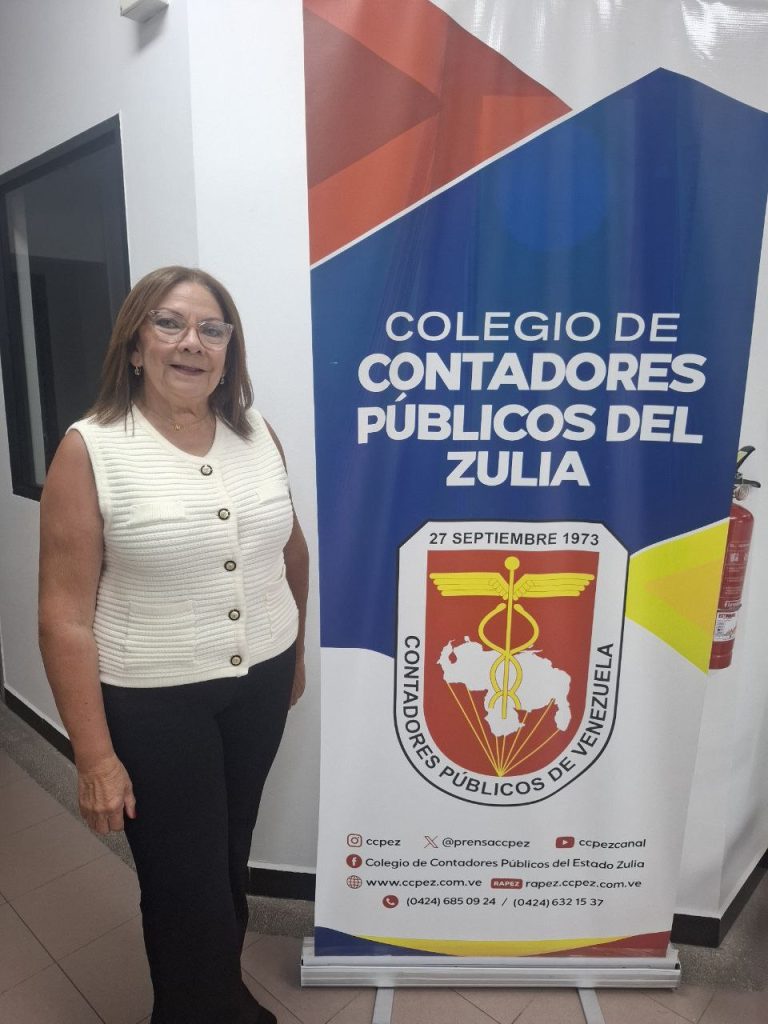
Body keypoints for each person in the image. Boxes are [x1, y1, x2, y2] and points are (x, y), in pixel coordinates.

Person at [38, 266, 309, 1024]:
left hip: (259, 686)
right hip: (155, 702)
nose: (192, 341)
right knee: (182, 879)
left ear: (228, 351)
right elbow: (63, 617)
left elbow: (291, 551)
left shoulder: (256, 433)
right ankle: (198, 1008)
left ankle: (218, 995)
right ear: (134, 346)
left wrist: (294, 656)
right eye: (169, 323)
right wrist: (94, 758)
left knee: (226, 856)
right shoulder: (90, 449)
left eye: (211, 329)